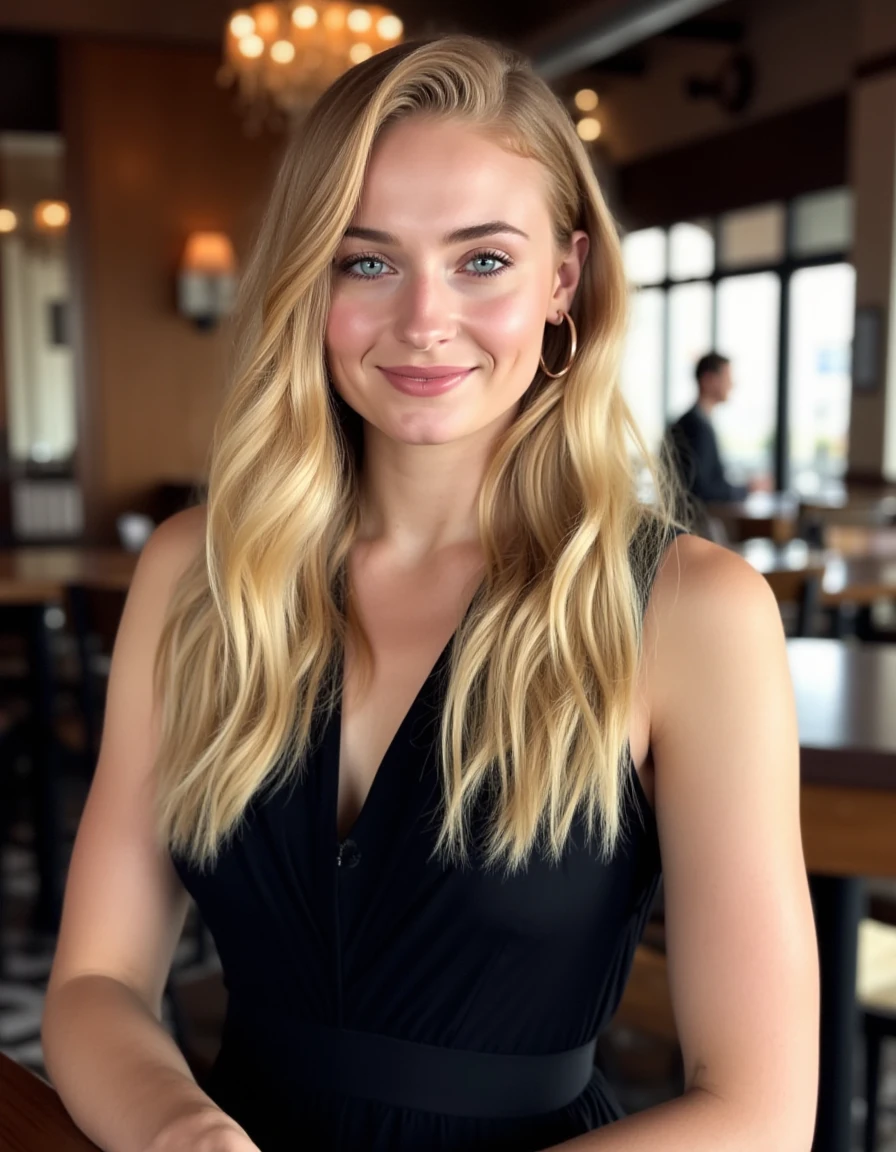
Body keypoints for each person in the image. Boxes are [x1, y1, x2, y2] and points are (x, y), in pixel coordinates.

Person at [41, 35, 818, 1152]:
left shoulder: (694, 613)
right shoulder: (194, 574)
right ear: (309, 282)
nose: (421, 320)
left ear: (563, 279)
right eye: (365, 262)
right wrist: (182, 1136)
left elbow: (757, 1111)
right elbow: (96, 981)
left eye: (482, 260)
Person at [667, 352, 772, 504]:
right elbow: (704, 490)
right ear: (708, 380)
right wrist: (749, 488)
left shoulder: (691, 422)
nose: (732, 384)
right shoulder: (696, 427)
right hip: (694, 521)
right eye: (727, 378)